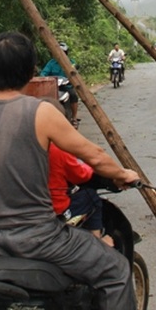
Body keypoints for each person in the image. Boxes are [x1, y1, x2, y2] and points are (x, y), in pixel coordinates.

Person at [0, 31, 140, 310]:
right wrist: (123, 175)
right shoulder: (41, 112)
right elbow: (93, 156)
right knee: (117, 270)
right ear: (31, 72)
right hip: (38, 238)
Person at [43, 99, 113, 247]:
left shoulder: (17, 146)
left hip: (22, 210)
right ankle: (97, 242)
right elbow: (82, 174)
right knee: (91, 196)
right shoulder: (58, 149)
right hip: (55, 209)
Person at [39, 42, 79, 123]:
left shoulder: (71, 62)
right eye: (59, 53)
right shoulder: (51, 63)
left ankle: (74, 117)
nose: (61, 55)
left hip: (67, 86)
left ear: (66, 53)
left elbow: (74, 72)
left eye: (63, 53)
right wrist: (43, 77)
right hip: (53, 86)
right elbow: (44, 73)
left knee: (73, 95)